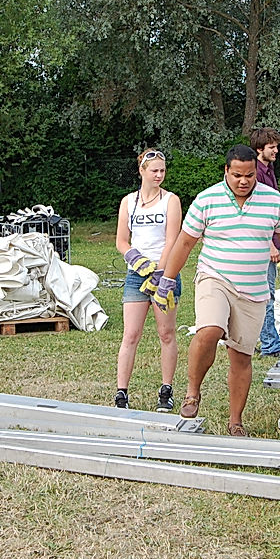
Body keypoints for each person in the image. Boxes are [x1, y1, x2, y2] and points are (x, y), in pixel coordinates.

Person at [152, 145, 280, 436]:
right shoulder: (207, 199)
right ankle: (192, 392)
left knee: (241, 356)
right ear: (226, 171)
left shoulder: (273, 200)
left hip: (254, 290)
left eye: (249, 175)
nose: (244, 181)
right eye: (237, 175)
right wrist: (167, 278)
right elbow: (185, 242)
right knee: (208, 330)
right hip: (215, 277)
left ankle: (236, 421)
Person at [113, 148, 182, 411]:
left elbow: (172, 240)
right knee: (130, 334)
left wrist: (160, 273)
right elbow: (121, 240)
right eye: (154, 170)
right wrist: (134, 257)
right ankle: (121, 392)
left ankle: (166, 389)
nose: (159, 175)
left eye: (162, 170)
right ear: (141, 171)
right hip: (135, 275)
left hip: (164, 275)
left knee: (166, 333)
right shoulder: (128, 202)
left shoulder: (171, 200)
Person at [249, 127, 280, 358]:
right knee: (266, 295)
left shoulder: (268, 170)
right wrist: (270, 245)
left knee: (254, 295)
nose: (276, 150)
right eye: (272, 147)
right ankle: (270, 345)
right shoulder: (255, 174)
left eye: (276, 146)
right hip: (261, 245)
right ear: (259, 149)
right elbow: (256, 213)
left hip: (268, 241)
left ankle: (249, 339)